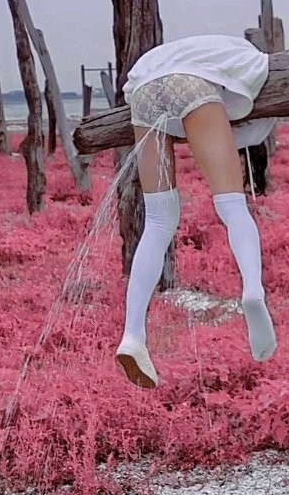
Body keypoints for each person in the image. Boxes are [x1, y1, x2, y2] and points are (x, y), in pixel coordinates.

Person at [114, 34, 278, 389]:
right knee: (232, 205)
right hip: (192, 88)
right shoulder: (240, 53)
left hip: (143, 94)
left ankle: (133, 334)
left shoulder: (168, 55)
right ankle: (253, 289)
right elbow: (253, 100)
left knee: (157, 221)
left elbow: (135, 86)